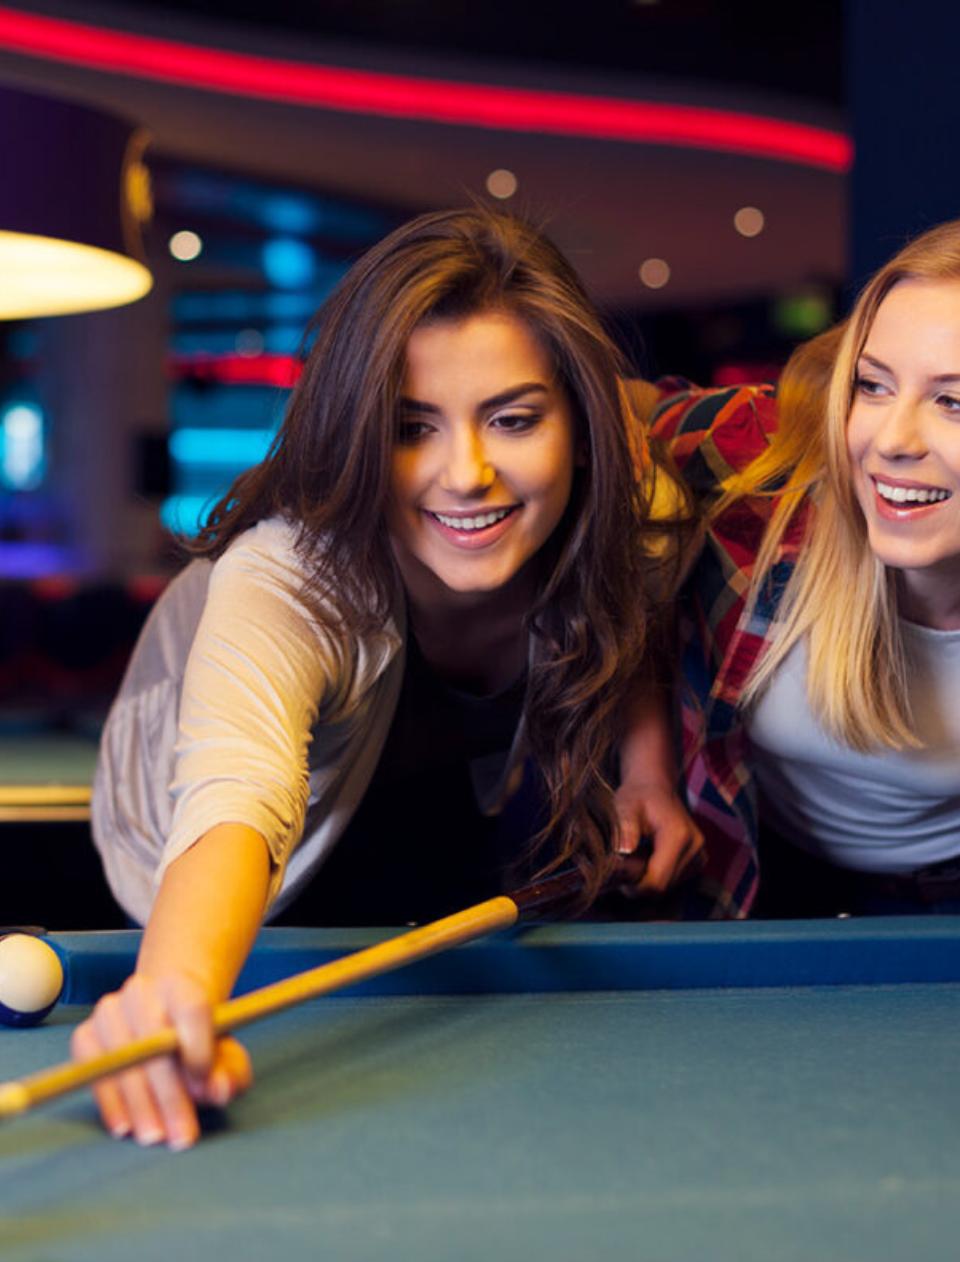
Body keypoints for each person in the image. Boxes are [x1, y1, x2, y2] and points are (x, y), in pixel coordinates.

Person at [76, 206, 701, 1149]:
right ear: (358, 431)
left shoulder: (632, 508)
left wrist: (648, 771)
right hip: (187, 830)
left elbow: (633, 604)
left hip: (425, 786)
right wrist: (171, 993)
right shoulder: (288, 575)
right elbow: (234, 795)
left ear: (580, 427)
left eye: (514, 418)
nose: (469, 473)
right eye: (413, 428)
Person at [652, 218, 960, 919]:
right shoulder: (765, 461)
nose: (890, 439)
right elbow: (585, 424)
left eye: (954, 401)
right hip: (754, 872)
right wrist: (642, 761)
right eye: (873, 386)